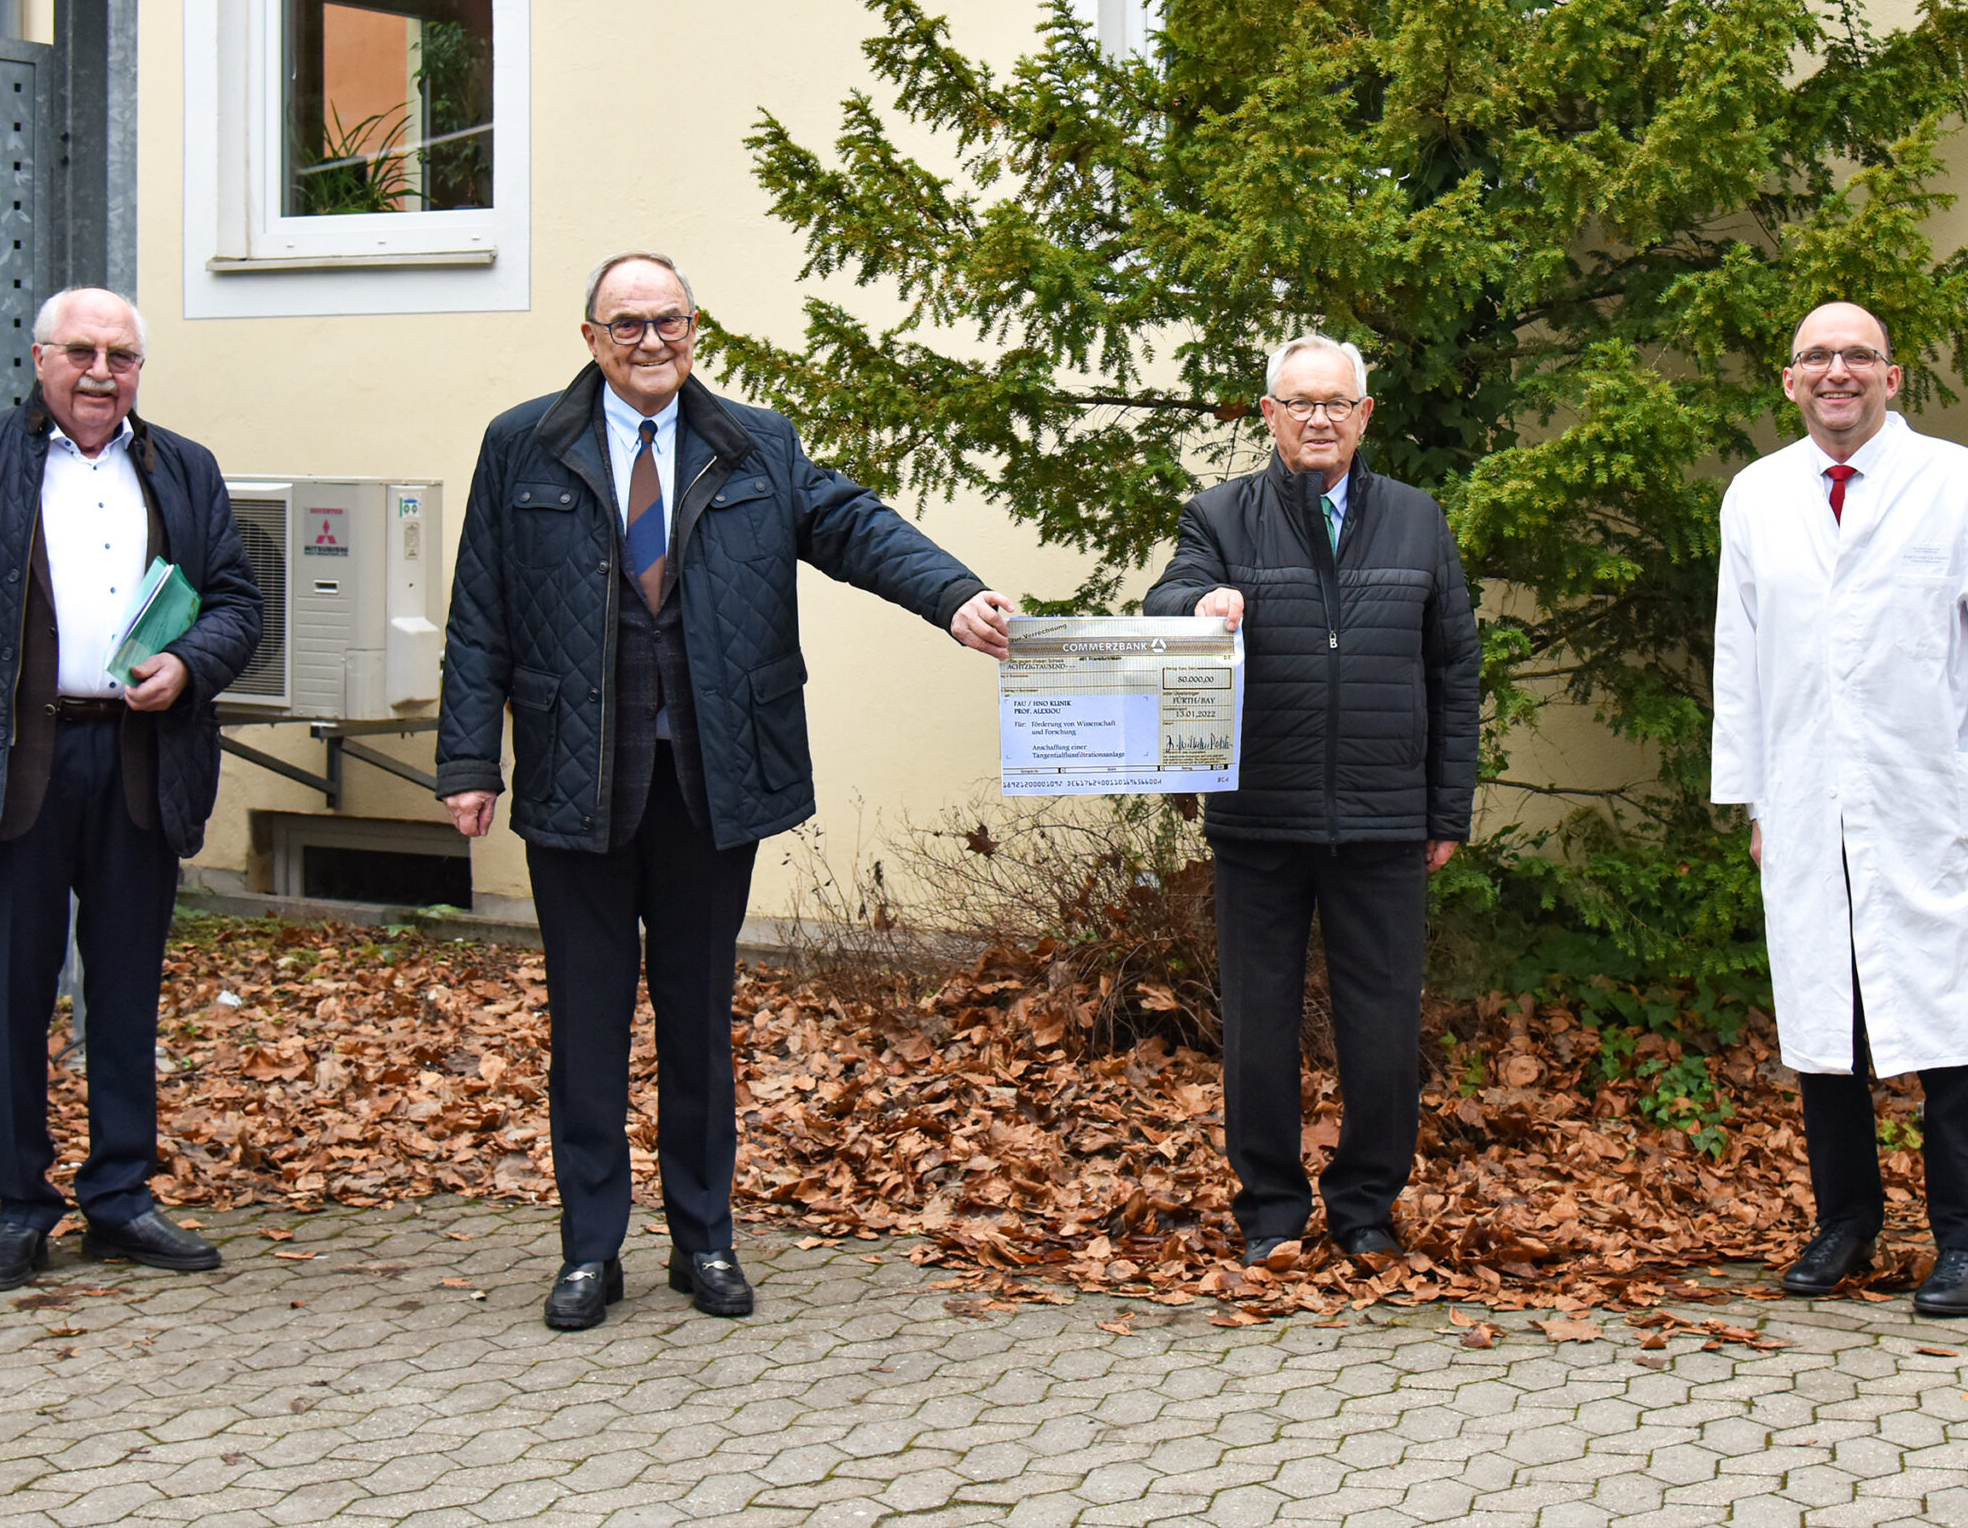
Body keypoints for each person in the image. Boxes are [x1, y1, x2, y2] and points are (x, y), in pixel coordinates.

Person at [436, 252, 1018, 1331]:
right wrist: (468, 760)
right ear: (590, 337)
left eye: (668, 321)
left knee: (697, 1019)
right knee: (588, 1023)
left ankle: (704, 1240)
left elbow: (854, 527)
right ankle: (589, 1252)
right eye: (626, 325)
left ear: (694, 328)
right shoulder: (523, 445)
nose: (650, 341)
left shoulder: (756, 441)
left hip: (712, 776)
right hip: (577, 774)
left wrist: (951, 598)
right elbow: (481, 608)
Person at [0, 287, 264, 1292]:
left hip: (140, 761)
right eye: (83, 352)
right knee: (12, 994)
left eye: (122, 357)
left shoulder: (182, 467)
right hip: (15, 765)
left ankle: (122, 1198)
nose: (102, 373)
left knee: (127, 991)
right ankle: (20, 1205)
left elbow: (235, 601)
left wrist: (190, 665)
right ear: (43, 357)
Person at [1711, 301, 1968, 1318]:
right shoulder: (1758, 496)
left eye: (1857, 356)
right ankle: (1845, 1222)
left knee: (1947, 1024)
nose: (1836, 372)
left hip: (1927, 801)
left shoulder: (1956, 485)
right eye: (1815, 356)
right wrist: (1756, 800)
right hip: (1807, 799)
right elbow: (1741, 657)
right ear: (1788, 380)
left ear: (1890, 377)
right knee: (1826, 1024)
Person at [1144, 334, 1482, 1264]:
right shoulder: (1218, 515)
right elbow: (1164, 601)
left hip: (1384, 820)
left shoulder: (1419, 519)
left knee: (1382, 1025)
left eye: (1337, 402)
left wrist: (1446, 810)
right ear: (1270, 416)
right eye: (1300, 403)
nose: (1320, 418)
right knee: (1258, 1027)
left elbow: (1455, 669)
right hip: (1260, 817)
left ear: (1366, 415)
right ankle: (1271, 1212)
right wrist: (1200, 605)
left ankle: (1367, 1206)